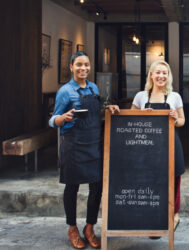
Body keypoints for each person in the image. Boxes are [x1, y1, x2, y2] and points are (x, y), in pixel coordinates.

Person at [49, 51, 119, 249]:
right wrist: (63, 118)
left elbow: (95, 115)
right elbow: (52, 120)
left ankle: (90, 227)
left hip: (94, 143)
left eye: (86, 65)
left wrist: (109, 108)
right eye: (79, 65)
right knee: (72, 187)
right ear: (71, 67)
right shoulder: (65, 91)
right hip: (73, 144)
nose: (83, 68)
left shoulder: (93, 87)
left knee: (96, 186)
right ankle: (72, 228)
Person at [131, 60, 185, 233]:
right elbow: (129, 120)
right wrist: (140, 114)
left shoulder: (175, 96)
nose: (161, 76)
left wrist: (176, 117)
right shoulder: (140, 96)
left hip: (170, 143)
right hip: (146, 146)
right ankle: (152, 213)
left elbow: (183, 121)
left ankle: (174, 213)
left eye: (165, 73)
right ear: (151, 75)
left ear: (168, 76)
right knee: (150, 179)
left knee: (174, 178)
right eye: (158, 72)